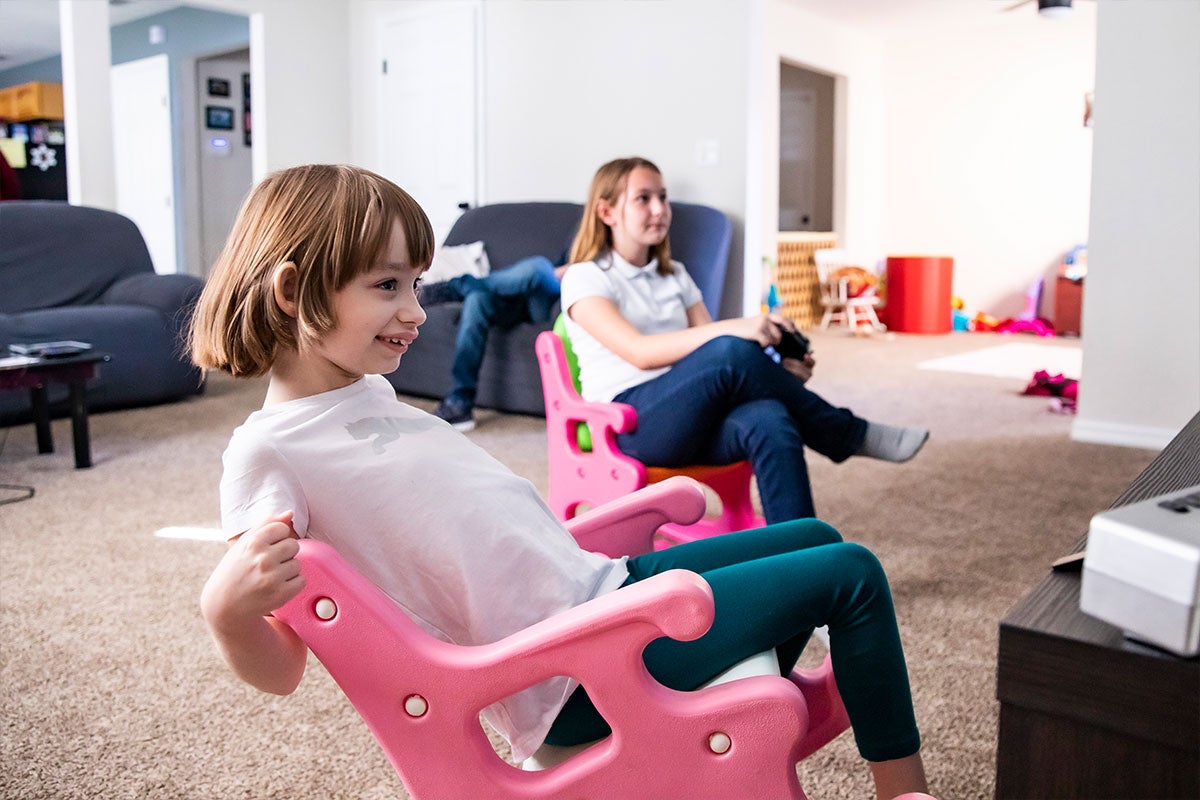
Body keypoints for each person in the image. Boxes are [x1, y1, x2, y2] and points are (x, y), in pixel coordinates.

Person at [190, 164, 930, 799]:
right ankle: (901, 789)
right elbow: (286, 664)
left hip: (603, 588)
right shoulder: (270, 452)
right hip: (575, 669)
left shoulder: (366, 394)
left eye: (416, 283)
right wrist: (226, 612)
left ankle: (707, 720)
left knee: (814, 538)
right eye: (387, 285)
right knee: (852, 573)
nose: (415, 311)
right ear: (293, 292)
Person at [560, 156, 929, 525]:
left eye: (663, 197)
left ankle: (801, 559)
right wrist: (737, 328)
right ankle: (848, 434)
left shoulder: (676, 276)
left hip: (689, 419)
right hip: (630, 425)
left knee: (770, 417)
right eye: (643, 198)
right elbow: (640, 353)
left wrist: (777, 376)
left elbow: (712, 362)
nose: (659, 209)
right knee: (729, 348)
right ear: (607, 212)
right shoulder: (585, 278)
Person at [428, 255, 566, 431]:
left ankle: (456, 286)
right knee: (477, 299)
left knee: (537, 267)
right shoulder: (583, 234)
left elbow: (570, 272)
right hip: (522, 297)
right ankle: (459, 402)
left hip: (548, 301)